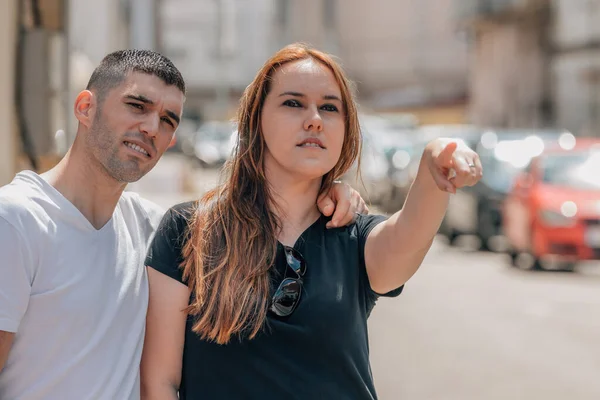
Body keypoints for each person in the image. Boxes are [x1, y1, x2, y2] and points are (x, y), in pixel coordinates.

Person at [0, 49, 366, 400]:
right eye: (137, 106)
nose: (150, 127)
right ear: (85, 107)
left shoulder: (152, 228)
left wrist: (328, 190)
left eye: (167, 120)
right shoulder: (16, 220)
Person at [141, 43, 483, 399]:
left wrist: (433, 163)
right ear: (256, 119)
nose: (314, 119)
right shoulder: (188, 229)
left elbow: (409, 235)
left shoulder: (356, 237)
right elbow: (160, 382)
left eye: (330, 107)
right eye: (293, 103)